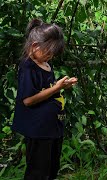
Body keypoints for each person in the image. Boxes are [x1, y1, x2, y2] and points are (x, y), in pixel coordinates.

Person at [11, 19, 77, 179]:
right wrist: (57, 88)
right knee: (38, 171)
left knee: (51, 168)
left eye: (53, 54)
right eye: (48, 52)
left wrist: (62, 86)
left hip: (52, 128)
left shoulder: (46, 65)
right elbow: (27, 100)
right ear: (35, 46)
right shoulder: (27, 67)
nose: (51, 56)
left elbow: (46, 90)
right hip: (38, 129)